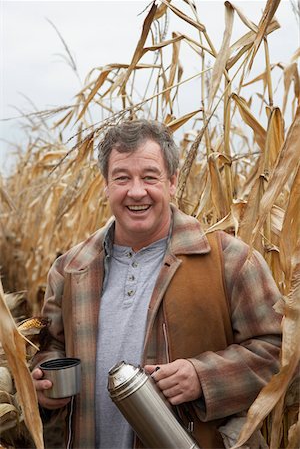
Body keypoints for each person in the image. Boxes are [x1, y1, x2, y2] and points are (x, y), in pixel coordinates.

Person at [32, 119, 282, 449]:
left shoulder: (232, 260)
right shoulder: (70, 269)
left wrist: (203, 376)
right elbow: (49, 345)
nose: (137, 191)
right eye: (122, 178)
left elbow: (280, 351)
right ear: (106, 185)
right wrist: (44, 383)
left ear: (173, 182)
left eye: (150, 177)